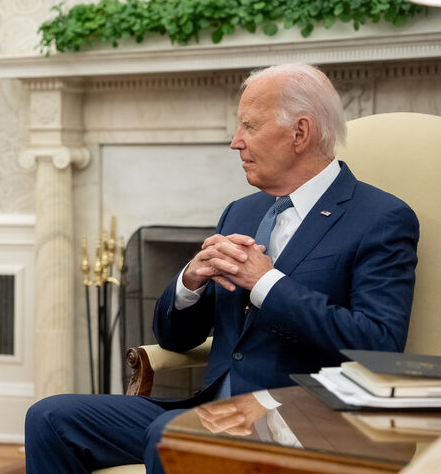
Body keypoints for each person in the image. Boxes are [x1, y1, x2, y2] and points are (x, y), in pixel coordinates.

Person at [24, 63, 419, 473]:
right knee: (50, 417)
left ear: (300, 132)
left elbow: (378, 344)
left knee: (171, 433)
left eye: (249, 126)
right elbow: (175, 339)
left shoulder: (380, 217)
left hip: (304, 420)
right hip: (212, 408)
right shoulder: (242, 212)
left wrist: (265, 282)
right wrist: (189, 283)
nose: (235, 142)